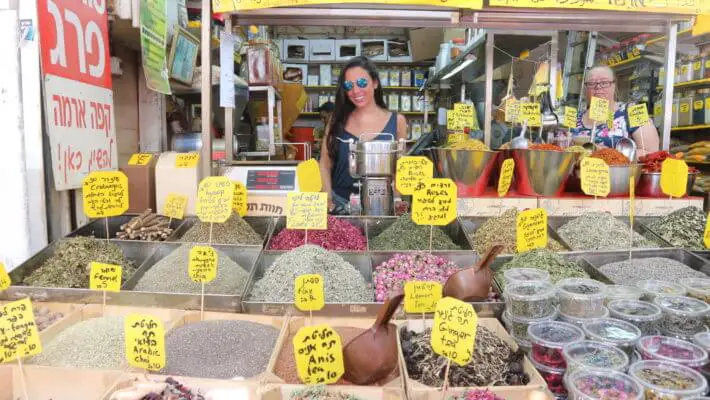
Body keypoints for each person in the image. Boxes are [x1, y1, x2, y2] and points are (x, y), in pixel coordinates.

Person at [319, 56, 408, 210]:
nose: (355, 91)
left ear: (375, 83)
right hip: (340, 206)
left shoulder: (397, 121)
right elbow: (325, 164)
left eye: (361, 83)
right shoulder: (336, 120)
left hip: (382, 206)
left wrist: (398, 200)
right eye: (348, 85)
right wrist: (327, 199)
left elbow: (400, 168)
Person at [571, 65, 659, 158]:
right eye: (591, 83)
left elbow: (651, 152)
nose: (598, 87)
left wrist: (605, 152)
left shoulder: (633, 110)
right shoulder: (575, 118)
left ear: (614, 85)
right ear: (585, 88)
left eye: (604, 82)